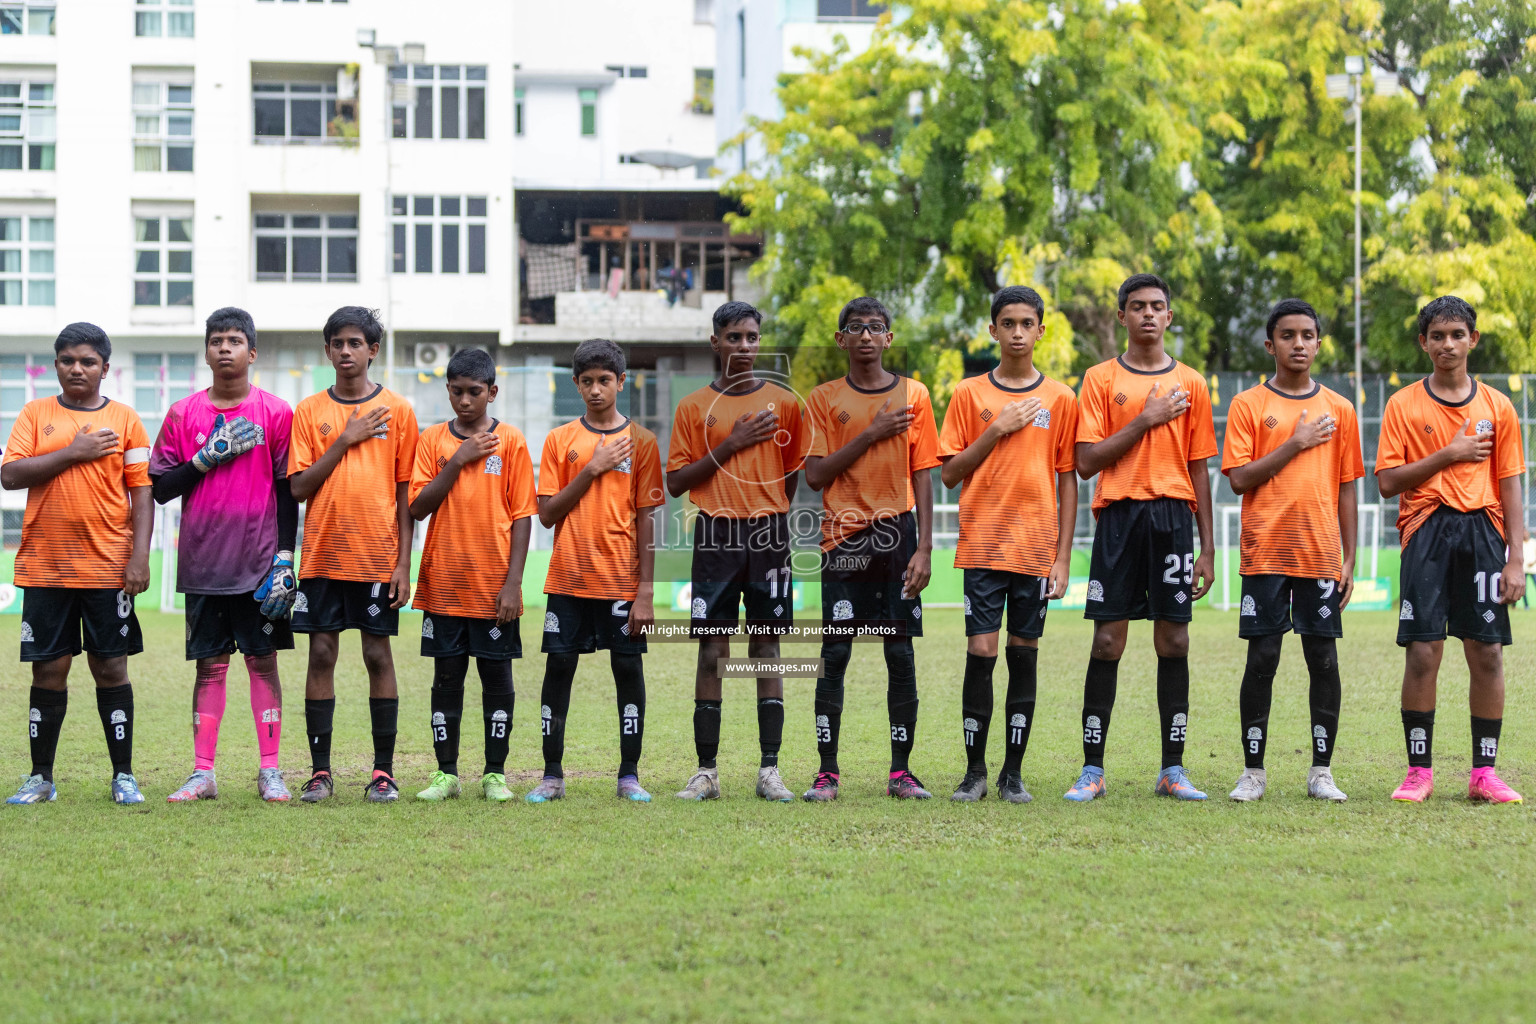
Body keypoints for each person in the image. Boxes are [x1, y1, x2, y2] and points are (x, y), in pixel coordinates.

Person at [1066, 273, 1217, 803]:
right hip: (1119, 519)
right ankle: (1092, 769)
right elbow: (1086, 461)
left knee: (1174, 640)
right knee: (1108, 642)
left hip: (1175, 519)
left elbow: (1200, 469)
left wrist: (1209, 548)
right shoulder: (1100, 379)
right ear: (1121, 316)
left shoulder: (1192, 383)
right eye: (1138, 306)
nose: (1148, 314)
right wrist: (1146, 419)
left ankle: (1172, 769)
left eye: (1157, 306)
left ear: (1169, 317)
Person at [1376, 295, 1526, 804]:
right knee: (1423, 652)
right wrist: (1449, 453)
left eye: (1457, 335)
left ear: (1473, 340)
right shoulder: (1403, 404)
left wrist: (1515, 558)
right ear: (1424, 343)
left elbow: (1511, 487)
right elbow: (1387, 482)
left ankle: (1484, 773)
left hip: (1484, 533)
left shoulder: (1498, 407)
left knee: (1486, 653)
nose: (1447, 344)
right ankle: (1419, 771)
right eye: (1437, 336)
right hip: (1426, 533)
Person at [937, 286, 1079, 805]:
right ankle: (974, 771)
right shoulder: (969, 395)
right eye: (1007, 323)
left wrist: (1062, 557)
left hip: (1037, 549)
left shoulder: (1062, 398)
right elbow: (949, 474)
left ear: (1041, 330)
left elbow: (1068, 479)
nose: (1017, 332)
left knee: (1024, 654)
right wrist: (995, 429)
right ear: (992, 330)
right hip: (984, 548)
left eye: (1026, 323)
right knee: (981, 650)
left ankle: (1012, 773)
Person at [151, 307, 298, 803]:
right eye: (217, 340)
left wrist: (284, 558)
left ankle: (271, 770)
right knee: (209, 666)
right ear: (207, 351)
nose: (225, 348)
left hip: (259, 565)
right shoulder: (182, 414)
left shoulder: (276, 412)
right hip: (204, 563)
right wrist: (203, 458)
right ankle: (202, 772)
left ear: (252, 353)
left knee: (263, 662)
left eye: (235, 340)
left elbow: (286, 491)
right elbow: (162, 488)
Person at [2, 323, 152, 805]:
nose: (77, 368)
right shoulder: (35, 413)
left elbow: (142, 492)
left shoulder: (126, 419)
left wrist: (140, 556)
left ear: (105, 368)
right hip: (46, 569)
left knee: (111, 669)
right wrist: (73, 452)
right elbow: (10, 474)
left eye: (88, 361)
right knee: (48, 671)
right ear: (56, 365)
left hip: (108, 569)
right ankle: (41, 777)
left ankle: (123, 776)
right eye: (67, 360)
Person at [1221, 299, 1362, 803]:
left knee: (1323, 658)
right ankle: (1253, 771)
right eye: (1287, 335)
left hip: (1320, 554)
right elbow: (1238, 478)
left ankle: (1321, 771)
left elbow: (1348, 487)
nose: (1298, 344)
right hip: (1266, 554)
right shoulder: (1248, 406)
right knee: (1263, 656)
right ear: (1270, 344)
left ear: (1319, 343)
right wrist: (1295, 442)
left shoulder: (1340, 409)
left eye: (1307, 335)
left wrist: (1350, 556)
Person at [801, 296, 941, 802]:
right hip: (844, 542)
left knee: (899, 653)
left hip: (898, 538)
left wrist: (925, 548)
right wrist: (871, 432)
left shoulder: (914, 394)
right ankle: (827, 773)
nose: (865, 335)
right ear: (841, 340)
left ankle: (900, 772)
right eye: (855, 328)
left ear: (888, 338)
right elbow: (815, 474)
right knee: (835, 653)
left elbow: (924, 473)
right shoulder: (823, 398)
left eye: (876, 327)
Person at [667, 302, 807, 802]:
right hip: (716, 537)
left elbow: (792, 473)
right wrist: (731, 443)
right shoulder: (692, 408)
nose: (744, 346)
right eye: (734, 337)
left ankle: (770, 770)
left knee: (767, 649)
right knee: (712, 652)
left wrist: (764, 507)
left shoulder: (785, 404)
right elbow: (678, 481)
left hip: (768, 538)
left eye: (751, 337)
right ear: (715, 343)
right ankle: (707, 772)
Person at [288, 307, 419, 803]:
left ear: (373, 350)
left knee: (375, 653)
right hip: (322, 557)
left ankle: (383, 773)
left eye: (355, 343)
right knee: (321, 653)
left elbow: (407, 493)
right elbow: (299, 487)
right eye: (337, 343)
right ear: (327, 350)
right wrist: (345, 439)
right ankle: (320, 772)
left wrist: (404, 563)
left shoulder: (399, 411)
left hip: (376, 558)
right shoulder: (309, 412)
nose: (346, 351)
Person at [531, 339, 665, 803]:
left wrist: (645, 590)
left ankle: (629, 775)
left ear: (621, 382)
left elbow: (648, 518)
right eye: (586, 381)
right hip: (568, 579)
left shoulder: (643, 443)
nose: (595, 389)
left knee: (627, 669)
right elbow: (547, 514)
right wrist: (592, 468)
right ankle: (552, 776)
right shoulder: (560, 440)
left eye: (604, 380)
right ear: (575, 384)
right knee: (560, 668)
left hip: (621, 584)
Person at [409, 349, 537, 803]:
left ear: (492, 392)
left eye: (475, 392)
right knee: (447, 679)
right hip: (443, 586)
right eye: (457, 391)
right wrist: (460, 458)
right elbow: (418, 506)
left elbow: (523, 516)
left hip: (493, 590)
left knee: (497, 679)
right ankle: (446, 774)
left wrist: (512, 583)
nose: (465, 400)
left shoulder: (513, 441)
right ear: (447, 390)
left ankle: (495, 774)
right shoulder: (432, 442)